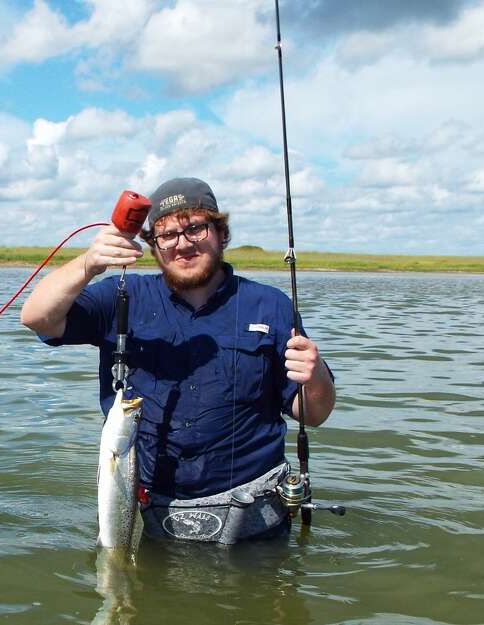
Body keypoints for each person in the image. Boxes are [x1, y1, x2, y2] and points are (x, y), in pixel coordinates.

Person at [20, 177, 334, 543]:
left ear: (221, 233)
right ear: (153, 245)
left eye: (195, 228)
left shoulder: (271, 305)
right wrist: (88, 263)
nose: (182, 244)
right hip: (149, 518)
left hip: (254, 524)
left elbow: (314, 414)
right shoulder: (123, 296)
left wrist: (316, 379)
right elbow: (36, 316)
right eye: (166, 235)